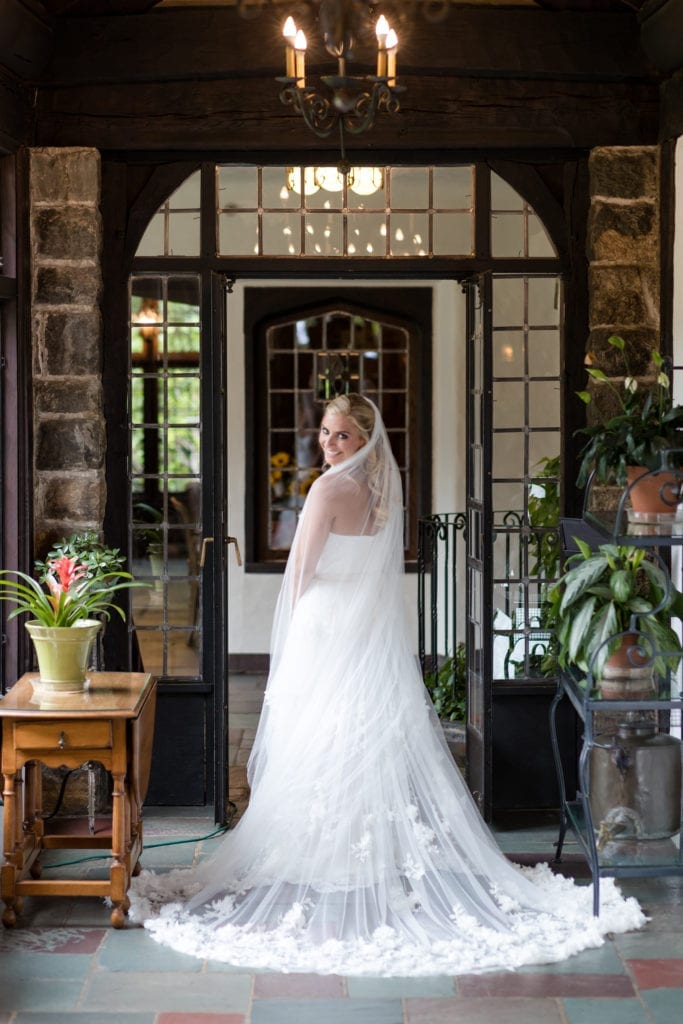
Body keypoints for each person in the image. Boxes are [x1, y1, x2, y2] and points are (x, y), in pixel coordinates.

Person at [129, 394, 644, 976]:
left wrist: (290, 639)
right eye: (325, 432)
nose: (328, 443)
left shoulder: (327, 490)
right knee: (359, 730)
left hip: (327, 623)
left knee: (321, 732)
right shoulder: (383, 492)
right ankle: (359, 854)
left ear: (365, 440)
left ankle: (324, 854)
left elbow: (299, 573)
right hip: (367, 627)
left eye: (342, 435)